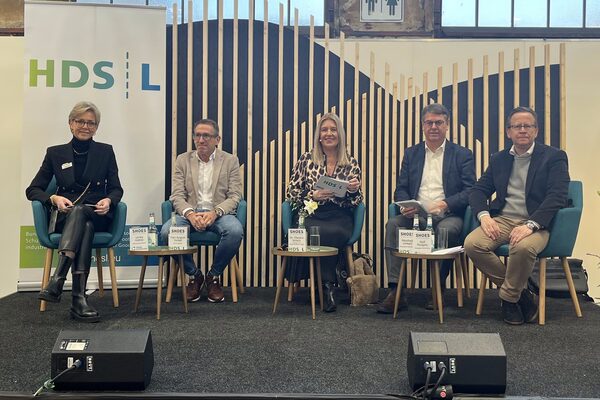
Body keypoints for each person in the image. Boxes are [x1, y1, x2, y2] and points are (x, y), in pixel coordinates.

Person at [464, 106, 569, 325]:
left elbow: (557, 196)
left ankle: (509, 299)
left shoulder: (554, 157)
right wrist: (484, 216)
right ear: (508, 132)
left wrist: (531, 225)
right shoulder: (498, 159)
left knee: (522, 247)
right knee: (472, 244)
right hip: (502, 219)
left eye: (527, 126)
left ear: (536, 131)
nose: (522, 130)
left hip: (536, 223)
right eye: (517, 126)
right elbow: (478, 190)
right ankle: (521, 293)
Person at [26, 101, 123, 323]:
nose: (85, 126)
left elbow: (117, 188)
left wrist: (108, 200)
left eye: (91, 123)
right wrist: (53, 198)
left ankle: (58, 279)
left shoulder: (105, 152)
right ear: (70, 124)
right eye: (80, 121)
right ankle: (78, 299)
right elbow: (32, 189)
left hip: (97, 215)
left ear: (96, 127)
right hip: (67, 216)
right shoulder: (55, 153)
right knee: (82, 222)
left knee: (85, 217)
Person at [378, 103, 475, 314]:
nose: (433, 127)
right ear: (422, 125)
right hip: (417, 216)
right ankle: (397, 289)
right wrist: (406, 205)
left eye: (439, 122)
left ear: (447, 125)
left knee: (446, 231)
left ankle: (437, 289)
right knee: (393, 224)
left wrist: (445, 203)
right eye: (429, 122)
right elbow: (401, 188)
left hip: (448, 215)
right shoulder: (412, 153)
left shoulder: (462, 154)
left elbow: (470, 191)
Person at [159, 119, 243, 303]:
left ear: (217, 139)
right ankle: (195, 275)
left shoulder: (230, 160)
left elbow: (235, 196)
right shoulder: (182, 160)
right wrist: (190, 213)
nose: (201, 139)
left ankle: (213, 276)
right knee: (166, 233)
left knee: (235, 231)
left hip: (220, 214)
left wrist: (215, 212)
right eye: (197, 135)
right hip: (189, 214)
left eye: (206, 135)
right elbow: (177, 196)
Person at [286, 113, 363, 312]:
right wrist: (312, 194)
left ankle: (325, 285)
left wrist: (353, 191)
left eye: (333, 129)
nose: (329, 133)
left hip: (339, 214)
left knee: (332, 232)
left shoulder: (351, 162)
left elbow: (357, 201)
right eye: (324, 129)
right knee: (313, 231)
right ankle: (328, 286)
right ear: (318, 135)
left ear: (340, 134)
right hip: (312, 212)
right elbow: (291, 191)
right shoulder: (306, 159)